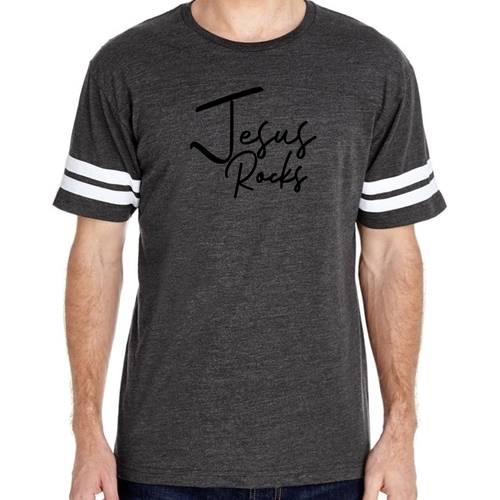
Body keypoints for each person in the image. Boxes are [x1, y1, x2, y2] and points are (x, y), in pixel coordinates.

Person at [52, 0, 447, 498]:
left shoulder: (375, 66)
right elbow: (96, 253)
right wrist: (87, 431)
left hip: (330, 462)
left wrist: (401, 427)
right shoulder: (126, 66)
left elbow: (390, 255)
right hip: (163, 461)